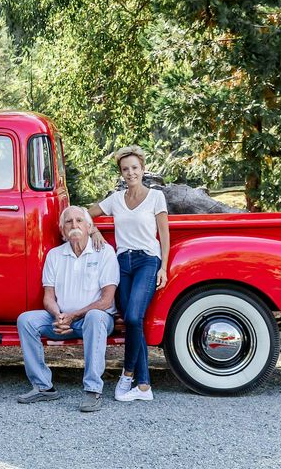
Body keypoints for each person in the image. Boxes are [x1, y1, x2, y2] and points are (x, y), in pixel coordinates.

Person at [15, 206, 118, 413]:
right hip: (62, 320)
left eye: (79, 220)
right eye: (69, 222)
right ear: (62, 230)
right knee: (26, 320)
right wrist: (58, 315)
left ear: (89, 227)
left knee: (96, 316)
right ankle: (43, 386)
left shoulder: (104, 252)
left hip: (93, 320)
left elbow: (106, 301)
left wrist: (73, 316)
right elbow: (48, 297)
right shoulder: (54, 255)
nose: (74, 225)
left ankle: (93, 390)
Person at [88, 145, 170, 402]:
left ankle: (127, 374)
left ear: (143, 169)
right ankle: (143, 387)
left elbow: (165, 236)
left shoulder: (156, 197)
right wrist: (94, 231)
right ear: (121, 173)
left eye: (135, 168)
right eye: (126, 169)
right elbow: (84, 214)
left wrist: (163, 267)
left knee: (135, 317)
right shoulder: (115, 199)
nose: (131, 173)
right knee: (131, 321)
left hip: (147, 261)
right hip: (122, 263)